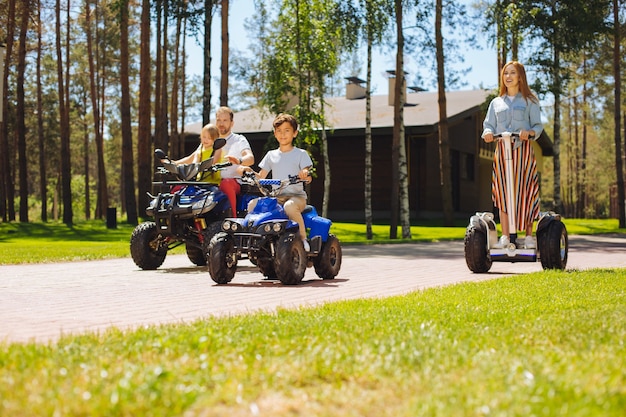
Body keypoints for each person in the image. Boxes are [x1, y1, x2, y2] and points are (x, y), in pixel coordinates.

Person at [481, 61, 543, 249]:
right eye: (505, 73)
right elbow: (488, 125)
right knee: (502, 192)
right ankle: (506, 236)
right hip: (502, 150)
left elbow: (538, 126)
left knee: (526, 190)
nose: (508, 76)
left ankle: (530, 236)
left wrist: (529, 133)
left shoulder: (530, 101)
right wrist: (487, 133)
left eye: (512, 73)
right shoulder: (496, 102)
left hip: (522, 150)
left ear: (520, 76)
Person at [245, 113, 313, 251]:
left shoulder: (301, 154)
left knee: (289, 206)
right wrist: (249, 173)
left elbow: (308, 175)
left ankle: (302, 239)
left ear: (295, 133)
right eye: (279, 131)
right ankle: (252, 239)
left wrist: (305, 174)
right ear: (275, 134)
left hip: (297, 197)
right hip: (277, 197)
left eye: (287, 130)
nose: (283, 134)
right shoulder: (271, 155)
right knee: (252, 204)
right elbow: (261, 176)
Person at [215, 106, 255, 217]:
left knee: (226, 183)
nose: (221, 123)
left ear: (232, 123)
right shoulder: (210, 139)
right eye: (218, 120)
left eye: (225, 120)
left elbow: (250, 158)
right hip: (211, 182)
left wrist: (239, 160)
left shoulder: (238, 140)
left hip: (233, 182)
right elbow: (194, 156)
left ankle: (232, 222)